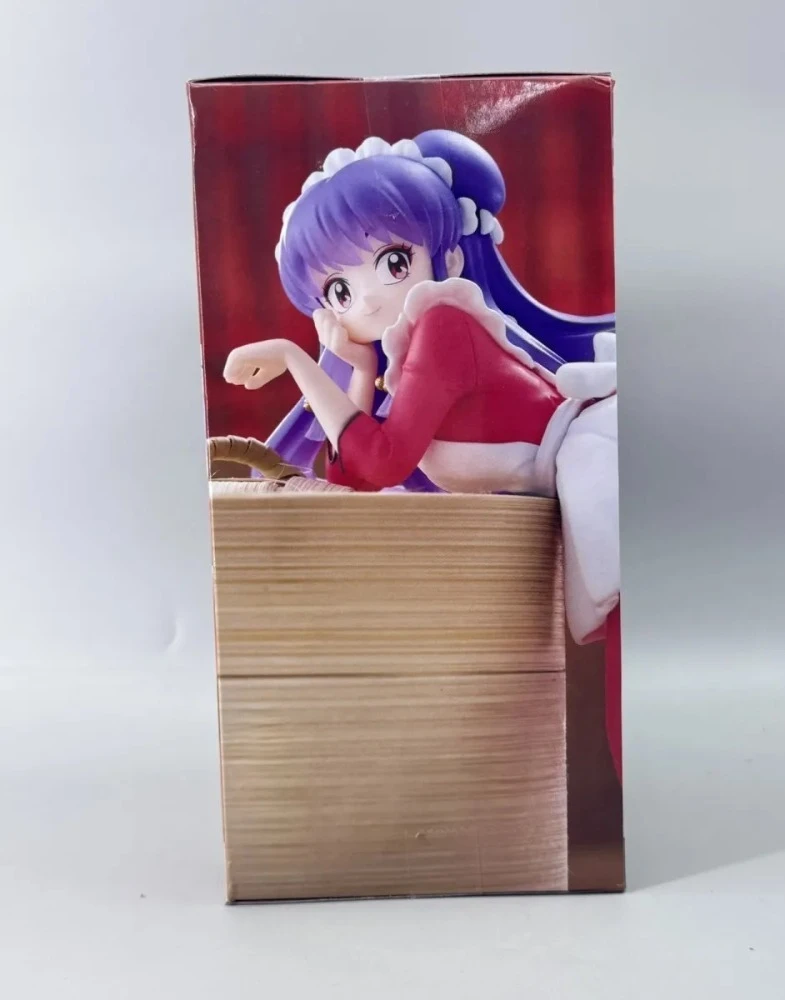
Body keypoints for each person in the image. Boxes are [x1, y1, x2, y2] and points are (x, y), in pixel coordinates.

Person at [225, 130, 622, 778]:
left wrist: (298, 361)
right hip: (565, 480)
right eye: (339, 291)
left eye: (391, 261)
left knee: (628, 698)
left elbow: (382, 460)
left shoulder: (445, 326)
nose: (368, 298)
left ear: (447, 256)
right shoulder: (406, 355)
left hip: (598, 465)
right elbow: (355, 481)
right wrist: (355, 370)